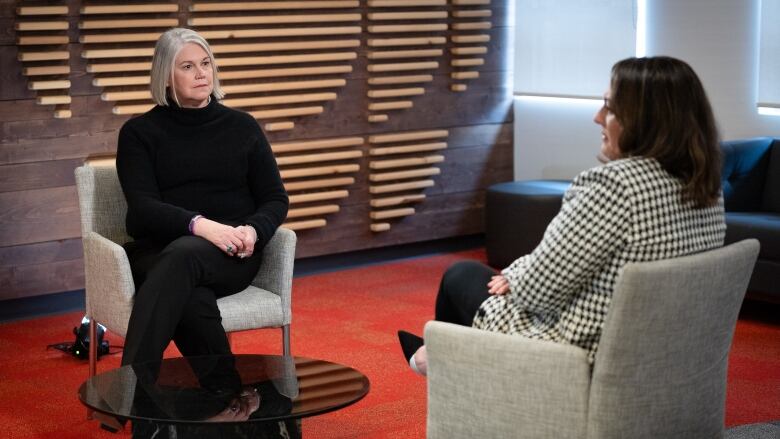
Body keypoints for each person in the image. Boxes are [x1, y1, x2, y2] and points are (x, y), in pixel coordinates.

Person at [398, 56, 726, 375]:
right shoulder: (707, 189)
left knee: (461, 275)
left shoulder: (612, 186)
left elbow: (536, 292)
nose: (597, 117)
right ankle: (438, 357)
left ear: (645, 121)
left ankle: (443, 368)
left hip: (576, 355)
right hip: (661, 356)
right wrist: (520, 273)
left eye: (610, 108)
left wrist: (515, 276)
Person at [116, 28, 288, 367]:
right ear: (165, 76)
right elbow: (144, 207)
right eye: (187, 66)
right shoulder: (139, 133)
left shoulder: (243, 127)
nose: (201, 73)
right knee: (190, 294)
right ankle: (226, 397)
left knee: (184, 261)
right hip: (158, 250)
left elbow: (275, 198)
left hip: (231, 254)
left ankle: (131, 392)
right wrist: (202, 226)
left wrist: (252, 231)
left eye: (206, 63)